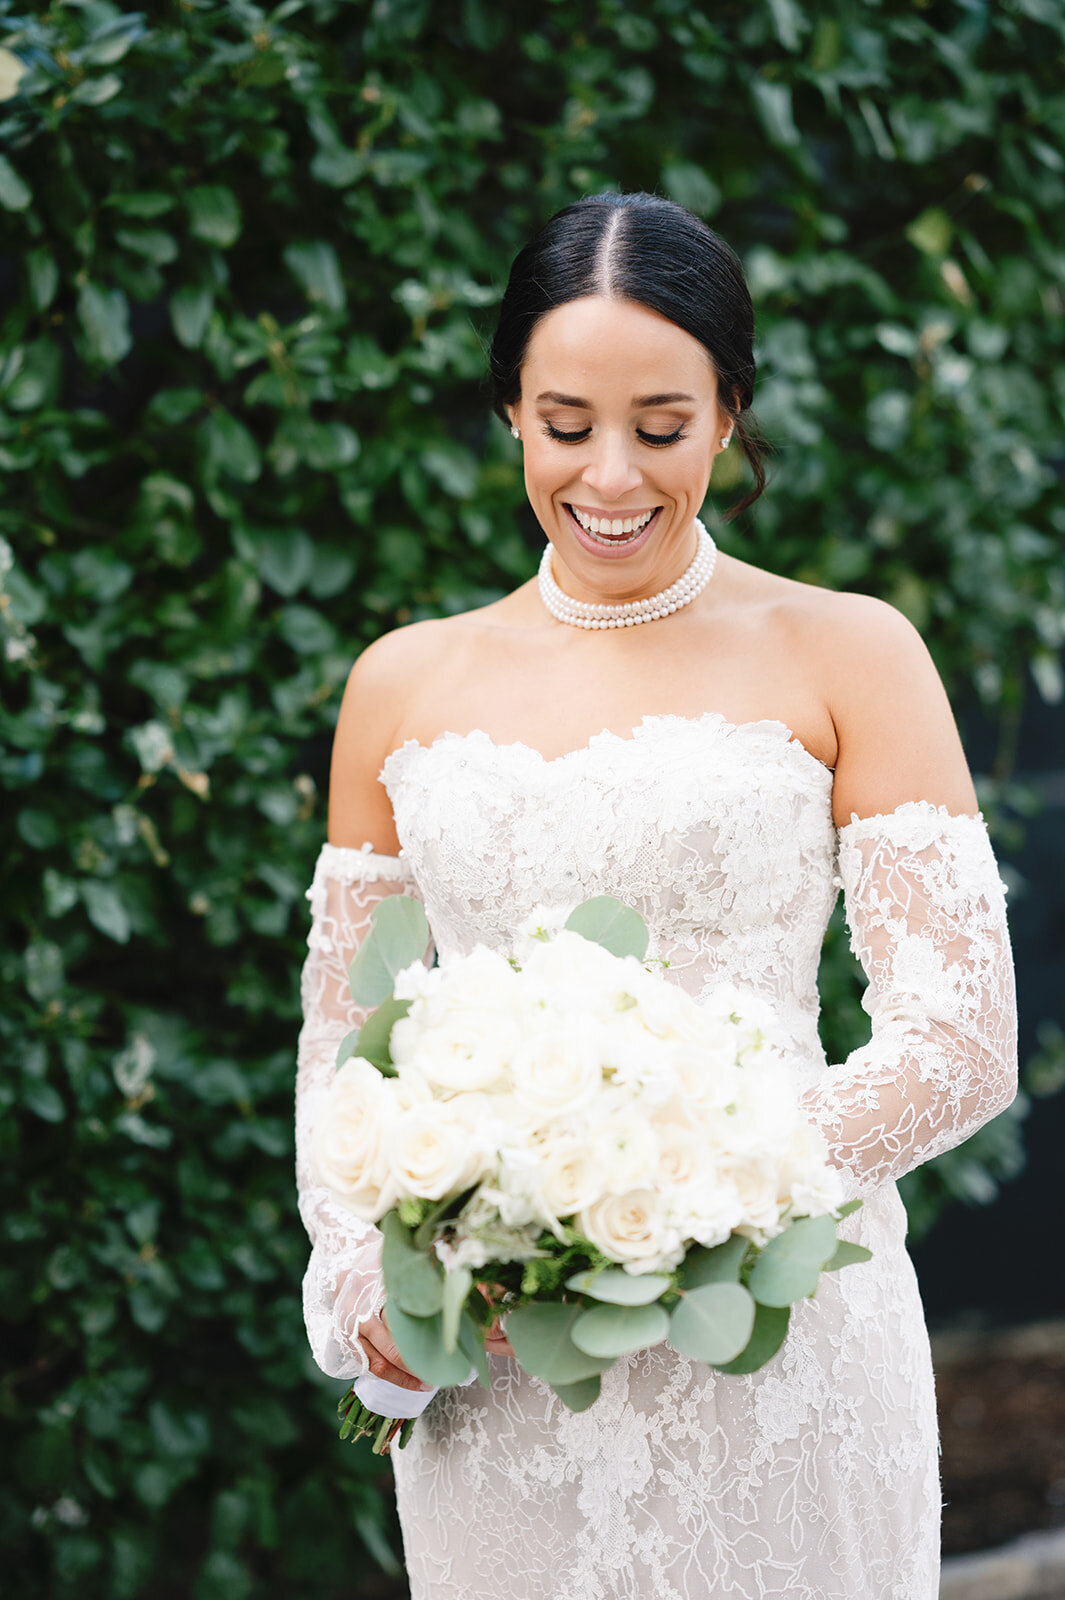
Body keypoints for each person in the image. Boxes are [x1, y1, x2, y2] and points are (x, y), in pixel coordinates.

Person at [295, 192, 1018, 1599]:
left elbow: (959, 1043)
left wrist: (661, 1189)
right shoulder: (400, 683)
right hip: (497, 1379)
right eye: (565, 426)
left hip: (783, 1352)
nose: (610, 476)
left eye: (662, 426)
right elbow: (348, 1044)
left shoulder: (850, 653)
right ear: (509, 410)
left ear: (730, 414)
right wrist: (369, 1294)